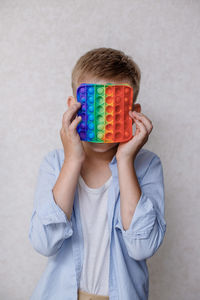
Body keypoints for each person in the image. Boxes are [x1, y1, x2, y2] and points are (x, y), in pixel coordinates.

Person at [28, 47, 167, 300]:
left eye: (114, 106)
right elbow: (44, 243)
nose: (103, 121)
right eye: (93, 106)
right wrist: (73, 160)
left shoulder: (147, 165)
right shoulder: (54, 163)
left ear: (133, 110)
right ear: (73, 106)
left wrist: (125, 160)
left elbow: (142, 247)